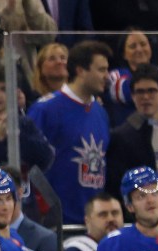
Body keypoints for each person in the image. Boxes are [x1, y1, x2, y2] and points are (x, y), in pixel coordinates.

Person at [28, 40, 113, 225]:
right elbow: (29, 165)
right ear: (81, 70)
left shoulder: (101, 112)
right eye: (101, 70)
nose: (107, 76)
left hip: (93, 222)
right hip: (55, 224)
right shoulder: (45, 110)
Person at [105, 64, 158, 194]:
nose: (145, 97)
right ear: (133, 96)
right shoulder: (120, 137)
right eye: (140, 92)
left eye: (151, 91)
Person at [106, 30, 158, 128]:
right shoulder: (116, 75)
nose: (139, 49)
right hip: (130, 136)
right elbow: (121, 91)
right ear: (124, 54)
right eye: (133, 46)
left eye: (143, 44)